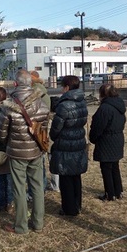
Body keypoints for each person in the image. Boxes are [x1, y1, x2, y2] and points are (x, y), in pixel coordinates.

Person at [0, 69, 50, 234]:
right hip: (36, 151)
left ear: (15, 84)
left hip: (17, 152)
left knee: (19, 188)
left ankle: (21, 226)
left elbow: (1, 132)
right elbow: (44, 129)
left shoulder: (8, 106)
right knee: (37, 186)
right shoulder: (42, 103)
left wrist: (9, 143)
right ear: (31, 84)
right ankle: (38, 223)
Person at [49, 75, 88, 216]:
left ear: (66, 87)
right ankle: (77, 205)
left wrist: (52, 136)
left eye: (62, 86)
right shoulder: (82, 102)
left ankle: (68, 208)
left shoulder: (64, 105)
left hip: (65, 144)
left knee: (65, 178)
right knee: (76, 177)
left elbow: (56, 128)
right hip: (78, 141)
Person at [89, 84, 126, 202]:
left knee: (106, 167)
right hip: (118, 138)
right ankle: (118, 191)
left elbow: (98, 126)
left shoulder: (105, 108)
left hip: (106, 140)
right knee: (115, 166)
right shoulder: (119, 105)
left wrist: (93, 138)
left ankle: (110, 193)